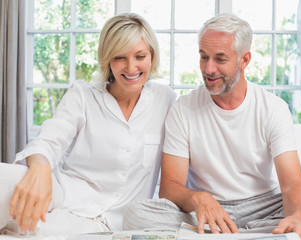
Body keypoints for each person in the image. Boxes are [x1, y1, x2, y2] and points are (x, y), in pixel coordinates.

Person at [122, 14, 301, 240]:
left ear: (244, 60)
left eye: (220, 59)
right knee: (136, 214)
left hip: (263, 204)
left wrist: (297, 217)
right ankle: (255, 233)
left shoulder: (272, 108)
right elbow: (170, 187)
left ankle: (227, 233)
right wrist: (199, 199)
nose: (208, 69)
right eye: (204, 57)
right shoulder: (183, 109)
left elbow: (292, 183)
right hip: (204, 208)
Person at [0, 13, 176, 236]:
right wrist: (40, 166)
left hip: (107, 222)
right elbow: (50, 139)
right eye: (120, 57)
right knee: (6, 178)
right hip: (62, 194)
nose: (131, 67)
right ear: (107, 59)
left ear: (152, 55)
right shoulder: (83, 95)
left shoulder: (166, 100)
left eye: (139, 56)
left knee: (29, 231)